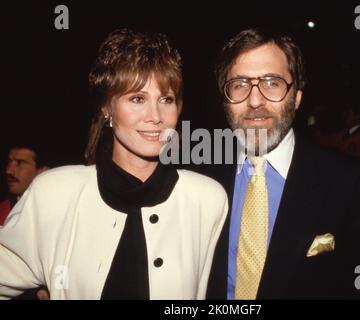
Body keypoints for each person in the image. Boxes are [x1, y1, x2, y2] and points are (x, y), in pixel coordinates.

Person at [0, 28, 228, 300]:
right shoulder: (54, 192)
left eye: (165, 100)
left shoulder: (207, 200)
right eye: (137, 99)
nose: (155, 116)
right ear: (107, 108)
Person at [206, 28, 360, 299]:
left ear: (297, 97)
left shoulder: (350, 183)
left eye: (272, 83)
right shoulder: (200, 180)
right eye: (240, 84)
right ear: (226, 100)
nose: (255, 100)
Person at [0, 143, 49, 225]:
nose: (8, 171)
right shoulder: (3, 210)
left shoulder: (55, 210)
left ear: (42, 171)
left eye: (20, 163)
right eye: (9, 162)